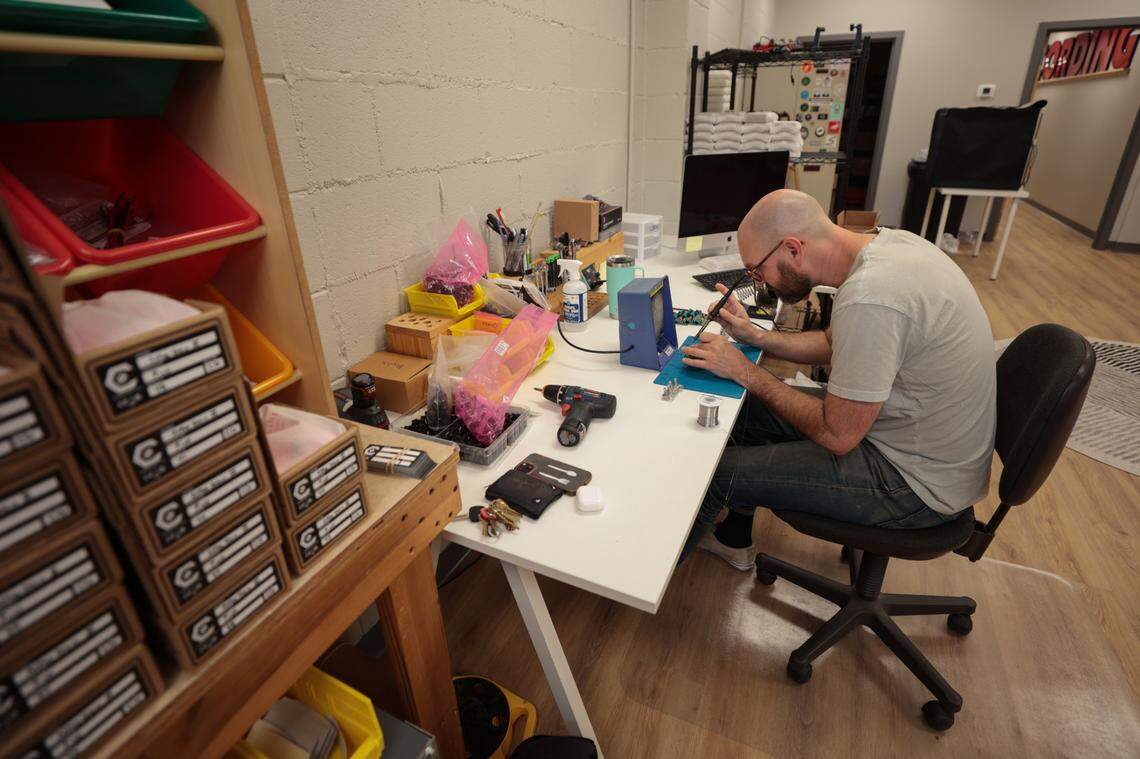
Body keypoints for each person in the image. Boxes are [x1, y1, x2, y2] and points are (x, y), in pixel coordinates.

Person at [678, 190, 996, 569]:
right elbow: (835, 341)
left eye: (756, 269)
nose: (758, 281)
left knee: (715, 474)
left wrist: (744, 369)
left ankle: (643, 584)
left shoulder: (873, 296)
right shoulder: (892, 245)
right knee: (744, 412)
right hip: (912, 440)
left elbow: (837, 434)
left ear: (793, 249)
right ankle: (733, 537)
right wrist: (756, 337)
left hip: (918, 486)